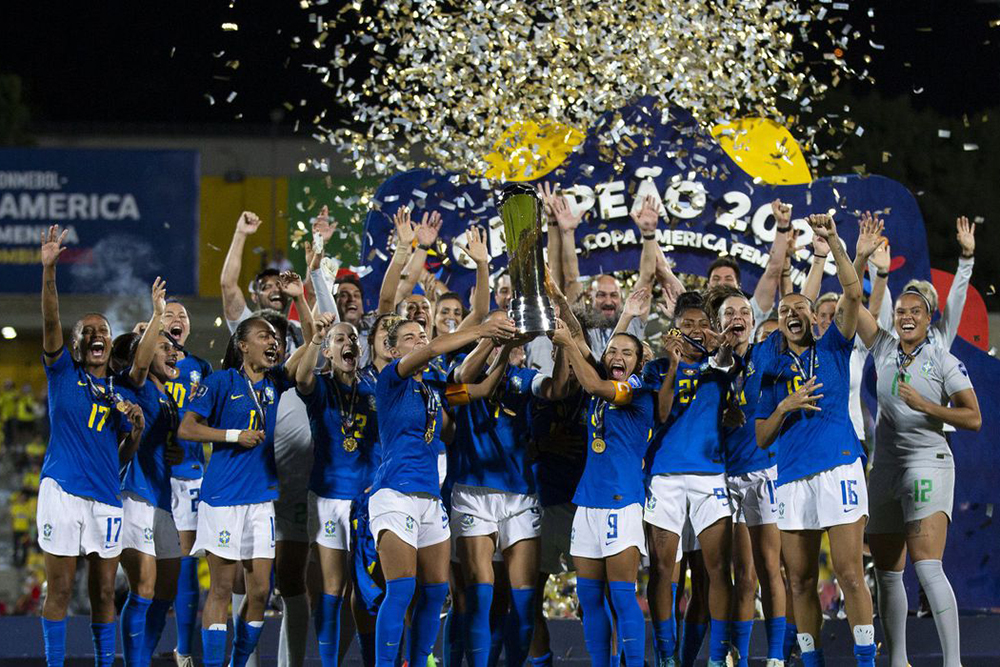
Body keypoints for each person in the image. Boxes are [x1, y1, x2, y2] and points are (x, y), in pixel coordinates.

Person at [755, 213, 877, 667]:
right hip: (790, 478)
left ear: (812, 315)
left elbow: (851, 293)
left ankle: (866, 662)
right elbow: (762, 435)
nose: (791, 314)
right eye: (783, 311)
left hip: (839, 466)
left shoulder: (833, 346)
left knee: (848, 572)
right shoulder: (770, 372)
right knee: (800, 581)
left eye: (799, 308)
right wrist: (786, 406)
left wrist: (834, 244)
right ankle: (812, 663)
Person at [369, 315, 516, 667]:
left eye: (422, 334)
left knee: (436, 592)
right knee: (402, 589)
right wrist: (483, 330)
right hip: (394, 493)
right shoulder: (391, 381)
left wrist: (505, 346)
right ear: (391, 350)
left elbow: (478, 390)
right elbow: (436, 348)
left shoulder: (432, 388)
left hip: (430, 499)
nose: (420, 341)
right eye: (409, 338)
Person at [36, 225, 145, 667]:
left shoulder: (121, 394)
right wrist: (48, 272)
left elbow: (119, 459)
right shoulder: (62, 373)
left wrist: (135, 430)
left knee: (104, 591)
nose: (97, 334)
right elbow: (49, 321)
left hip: (105, 497)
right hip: (61, 490)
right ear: (77, 344)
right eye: (87, 331)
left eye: (103, 329)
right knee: (60, 589)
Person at [857, 287, 981, 667]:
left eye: (915, 311)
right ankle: (898, 661)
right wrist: (850, 254)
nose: (906, 316)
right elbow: (852, 299)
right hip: (887, 468)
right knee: (887, 572)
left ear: (929, 319)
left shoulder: (944, 360)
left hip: (929, 461)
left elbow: (973, 417)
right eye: (900, 311)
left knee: (927, 566)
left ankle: (953, 663)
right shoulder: (883, 348)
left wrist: (927, 405)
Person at [178, 315, 311, 667]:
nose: (274, 343)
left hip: (261, 501)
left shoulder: (276, 382)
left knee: (261, 592)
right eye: (264, 336)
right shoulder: (221, 381)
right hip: (222, 499)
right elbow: (188, 429)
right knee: (221, 589)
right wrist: (233, 436)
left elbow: (309, 348)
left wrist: (308, 309)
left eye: (276, 338)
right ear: (242, 345)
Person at [448, 312, 565, 667]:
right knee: (479, 595)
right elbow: (465, 379)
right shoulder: (461, 369)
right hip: (471, 493)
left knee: (524, 599)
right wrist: (497, 343)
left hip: (520, 496)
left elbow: (557, 390)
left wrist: (563, 348)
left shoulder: (524, 377)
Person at [549, 321, 653, 667]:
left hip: (621, 503)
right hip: (588, 502)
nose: (617, 356)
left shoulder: (636, 388)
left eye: (627, 352)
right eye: (612, 350)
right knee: (589, 596)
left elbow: (590, 381)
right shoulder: (606, 382)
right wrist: (556, 300)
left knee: (623, 597)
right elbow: (577, 338)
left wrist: (566, 342)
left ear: (639, 361)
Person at [643, 292, 737, 667]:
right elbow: (661, 414)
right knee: (664, 572)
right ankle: (666, 657)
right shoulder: (655, 369)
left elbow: (732, 365)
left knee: (714, 573)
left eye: (703, 324)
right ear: (675, 330)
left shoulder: (723, 366)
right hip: (664, 478)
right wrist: (672, 364)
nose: (696, 330)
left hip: (710, 476)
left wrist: (721, 350)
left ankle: (712, 659)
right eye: (688, 324)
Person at [296, 316, 382, 667]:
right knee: (332, 589)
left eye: (353, 339)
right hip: (329, 498)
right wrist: (315, 339)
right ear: (329, 351)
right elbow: (300, 378)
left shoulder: (375, 386)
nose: (349, 343)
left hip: (368, 500)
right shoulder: (320, 387)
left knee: (367, 592)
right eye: (339, 339)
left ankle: (370, 659)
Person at [709, 287, 786, 667]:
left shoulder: (765, 356)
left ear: (753, 323)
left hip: (763, 472)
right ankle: (736, 656)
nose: (736, 317)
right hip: (725, 478)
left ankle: (774, 657)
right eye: (728, 313)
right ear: (718, 324)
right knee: (743, 573)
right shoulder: (712, 369)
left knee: (770, 567)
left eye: (743, 312)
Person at [158, 298, 214, 666]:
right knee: (153, 569)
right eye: (170, 315)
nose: (178, 320)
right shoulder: (146, 362)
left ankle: (185, 651)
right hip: (152, 478)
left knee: (188, 563)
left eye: (183, 316)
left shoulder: (201, 368)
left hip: (190, 478)